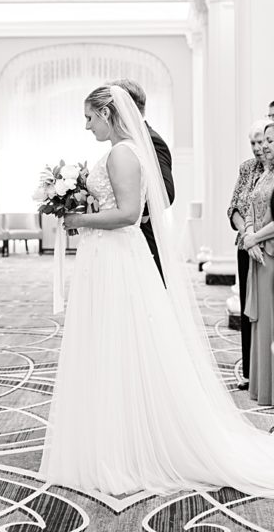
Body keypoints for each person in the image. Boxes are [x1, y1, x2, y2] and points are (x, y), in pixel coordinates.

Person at [42, 84, 274, 497]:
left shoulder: (123, 153)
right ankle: (112, 435)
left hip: (117, 256)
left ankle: (130, 444)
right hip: (108, 256)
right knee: (112, 343)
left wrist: (81, 220)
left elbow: (131, 214)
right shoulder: (125, 150)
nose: (86, 125)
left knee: (123, 342)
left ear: (109, 115)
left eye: (90, 117)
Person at [107, 78, 174, 283]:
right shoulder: (127, 139)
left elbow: (166, 192)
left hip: (142, 235)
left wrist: (140, 215)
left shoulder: (151, 140)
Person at [227, 119, 270, 390]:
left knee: (266, 312)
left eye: (261, 142)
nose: (257, 148)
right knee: (247, 308)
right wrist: (248, 237)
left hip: (267, 246)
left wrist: (256, 238)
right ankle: (250, 371)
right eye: (253, 143)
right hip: (246, 246)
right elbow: (234, 208)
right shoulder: (247, 168)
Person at [241, 122, 274, 406]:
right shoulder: (263, 174)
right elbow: (248, 206)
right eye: (264, 141)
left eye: (270, 142)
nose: (264, 147)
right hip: (259, 254)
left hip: (271, 254)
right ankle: (261, 386)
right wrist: (249, 235)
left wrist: (255, 239)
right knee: (260, 321)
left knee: (270, 322)